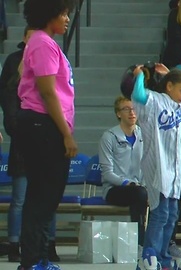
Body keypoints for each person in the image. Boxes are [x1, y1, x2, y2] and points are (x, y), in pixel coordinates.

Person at [16, 0, 77, 269]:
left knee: (45, 196)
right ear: (49, 14)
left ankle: (36, 258)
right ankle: (33, 260)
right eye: (63, 13)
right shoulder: (42, 42)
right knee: (43, 196)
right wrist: (66, 133)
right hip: (43, 125)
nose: (66, 19)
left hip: (44, 124)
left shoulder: (45, 42)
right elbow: (47, 92)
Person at [0, 26, 61, 263]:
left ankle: (48, 244)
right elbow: (8, 100)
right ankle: (15, 243)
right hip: (24, 138)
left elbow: (57, 95)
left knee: (48, 196)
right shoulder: (14, 64)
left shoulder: (52, 56)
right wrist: (19, 128)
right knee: (20, 197)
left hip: (47, 136)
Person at [131, 65, 181, 270]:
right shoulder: (154, 101)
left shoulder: (178, 105)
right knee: (160, 214)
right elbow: (138, 94)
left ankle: (164, 257)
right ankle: (150, 256)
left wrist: (167, 75)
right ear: (169, 87)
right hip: (157, 166)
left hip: (174, 168)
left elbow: (173, 87)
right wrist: (140, 76)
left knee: (172, 214)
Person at [98, 96, 148, 261]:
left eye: (134, 109)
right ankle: (140, 244)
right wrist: (127, 182)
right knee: (139, 194)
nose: (132, 112)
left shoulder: (143, 134)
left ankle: (165, 243)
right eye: (126, 109)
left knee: (159, 194)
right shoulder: (109, 137)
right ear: (118, 114)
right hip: (115, 188)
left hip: (140, 187)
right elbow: (107, 173)